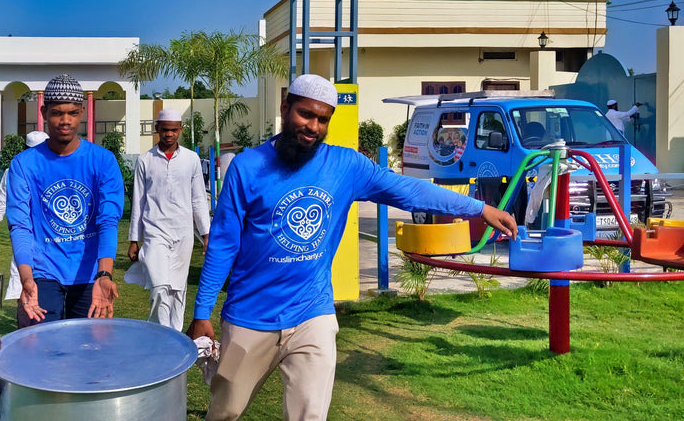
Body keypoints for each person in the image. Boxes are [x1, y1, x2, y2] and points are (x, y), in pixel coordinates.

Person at [187, 74, 519, 421]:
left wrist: (480, 209)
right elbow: (223, 243)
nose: (312, 126)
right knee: (224, 412)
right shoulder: (247, 167)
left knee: (309, 416)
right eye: (305, 114)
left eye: (322, 119)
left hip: (311, 314)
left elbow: (410, 190)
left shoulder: (345, 166)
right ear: (285, 108)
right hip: (251, 317)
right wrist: (201, 313)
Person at [6, 73, 123, 325]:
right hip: (43, 272)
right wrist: (27, 277)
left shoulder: (103, 161)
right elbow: (20, 224)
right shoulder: (24, 164)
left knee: (89, 352)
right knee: (44, 350)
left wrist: (104, 274)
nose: (65, 121)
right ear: (44, 111)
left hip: (90, 273)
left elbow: (108, 221)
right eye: (57, 113)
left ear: (82, 112)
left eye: (72, 113)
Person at [127, 108, 211, 331]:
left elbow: (198, 199)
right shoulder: (145, 160)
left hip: (183, 233)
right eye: (165, 130)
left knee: (177, 289)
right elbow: (139, 201)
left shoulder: (191, 159)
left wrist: (206, 234)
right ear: (157, 130)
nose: (169, 134)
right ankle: (161, 333)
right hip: (155, 232)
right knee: (159, 287)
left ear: (180, 130)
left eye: (174, 130)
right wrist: (134, 239)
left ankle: (175, 337)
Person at [0, 130, 49, 327]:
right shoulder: (14, 170)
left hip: (50, 238)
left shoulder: (54, 167)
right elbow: (0, 205)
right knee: (23, 280)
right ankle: (27, 333)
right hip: (25, 237)